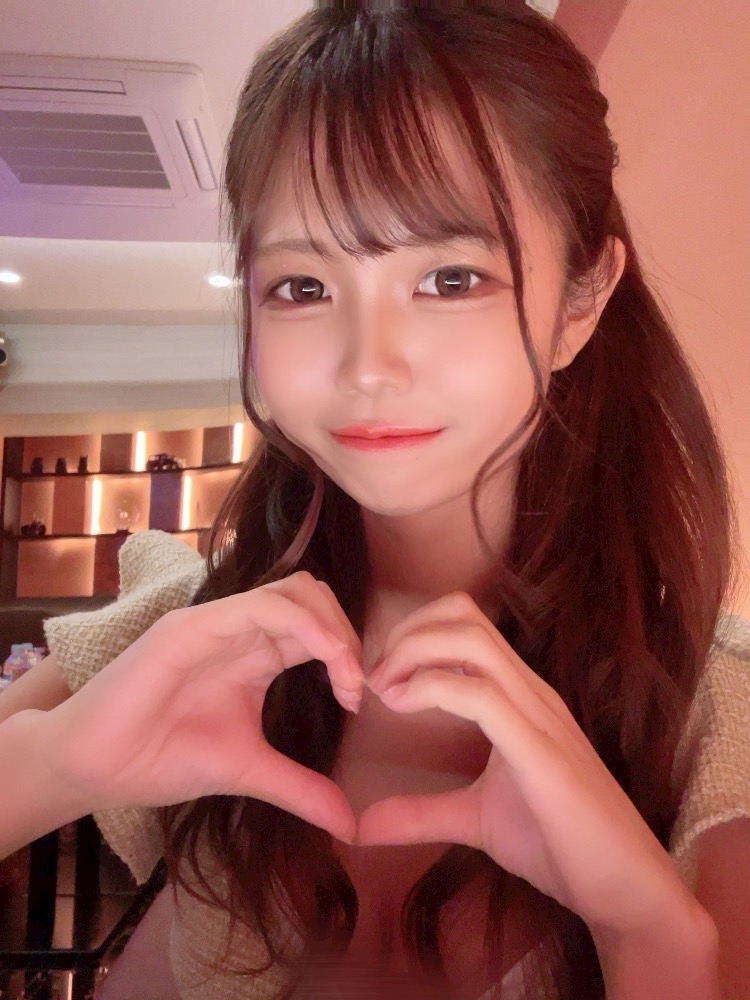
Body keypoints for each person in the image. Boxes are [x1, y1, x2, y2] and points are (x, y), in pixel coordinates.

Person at [1, 4, 749, 999]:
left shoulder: (716, 718)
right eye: (303, 286)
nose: (368, 366)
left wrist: (650, 935)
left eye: (451, 277)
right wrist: (52, 768)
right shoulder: (185, 631)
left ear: (583, 298)